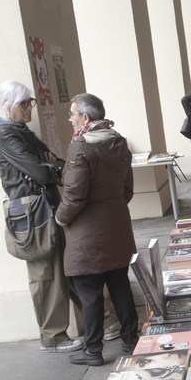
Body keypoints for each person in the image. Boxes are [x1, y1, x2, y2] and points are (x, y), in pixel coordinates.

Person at [0, 80, 82, 352]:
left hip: (45, 205)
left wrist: (49, 167)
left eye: (30, 102)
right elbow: (42, 172)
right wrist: (48, 168)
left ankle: (98, 320)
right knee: (45, 275)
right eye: (23, 103)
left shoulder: (21, 131)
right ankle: (54, 338)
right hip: (30, 211)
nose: (29, 108)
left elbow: (58, 164)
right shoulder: (5, 134)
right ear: (6, 106)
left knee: (67, 265)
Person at [55, 93, 139, 365]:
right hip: (117, 226)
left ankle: (93, 350)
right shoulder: (118, 141)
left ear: (86, 118)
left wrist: (60, 218)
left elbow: (74, 197)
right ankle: (131, 340)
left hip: (87, 234)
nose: (70, 119)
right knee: (119, 285)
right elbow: (127, 189)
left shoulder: (81, 147)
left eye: (72, 114)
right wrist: (111, 208)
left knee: (89, 292)